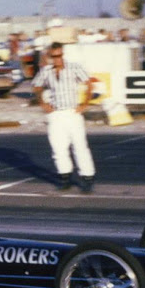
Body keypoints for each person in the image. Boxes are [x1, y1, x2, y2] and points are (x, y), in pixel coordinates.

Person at [32, 42, 96, 193]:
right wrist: (42, 102)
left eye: (59, 55)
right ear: (49, 57)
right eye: (53, 56)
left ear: (63, 54)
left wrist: (85, 103)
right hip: (55, 115)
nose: (57, 59)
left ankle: (87, 178)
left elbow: (89, 83)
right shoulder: (46, 71)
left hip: (73, 113)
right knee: (58, 148)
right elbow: (36, 86)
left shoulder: (74, 67)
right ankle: (65, 178)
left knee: (80, 147)